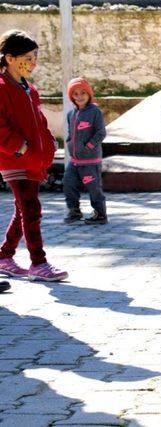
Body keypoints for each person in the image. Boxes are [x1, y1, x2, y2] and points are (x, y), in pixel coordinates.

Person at [0, 29, 68, 282]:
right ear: (9, 58)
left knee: (23, 210)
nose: (33, 62)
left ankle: (4, 256)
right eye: (27, 57)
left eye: (35, 57)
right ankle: (38, 263)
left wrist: (48, 145)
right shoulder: (2, 87)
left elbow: (39, 122)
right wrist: (21, 148)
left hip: (34, 160)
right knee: (31, 208)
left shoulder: (30, 89)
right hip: (14, 159)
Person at [62, 77, 108, 225]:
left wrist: (89, 146)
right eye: (75, 94)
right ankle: (74, 212)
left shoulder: (95, 112)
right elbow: (70, 133)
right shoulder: (71, 114)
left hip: (90, 161)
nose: (79, 96)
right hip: (75, 161)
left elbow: (101, 132)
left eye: (83, 93)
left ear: (89, 94)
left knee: (94, 188)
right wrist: (70, 144)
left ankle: (100, 214)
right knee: (68, 183)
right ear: (72, 97)